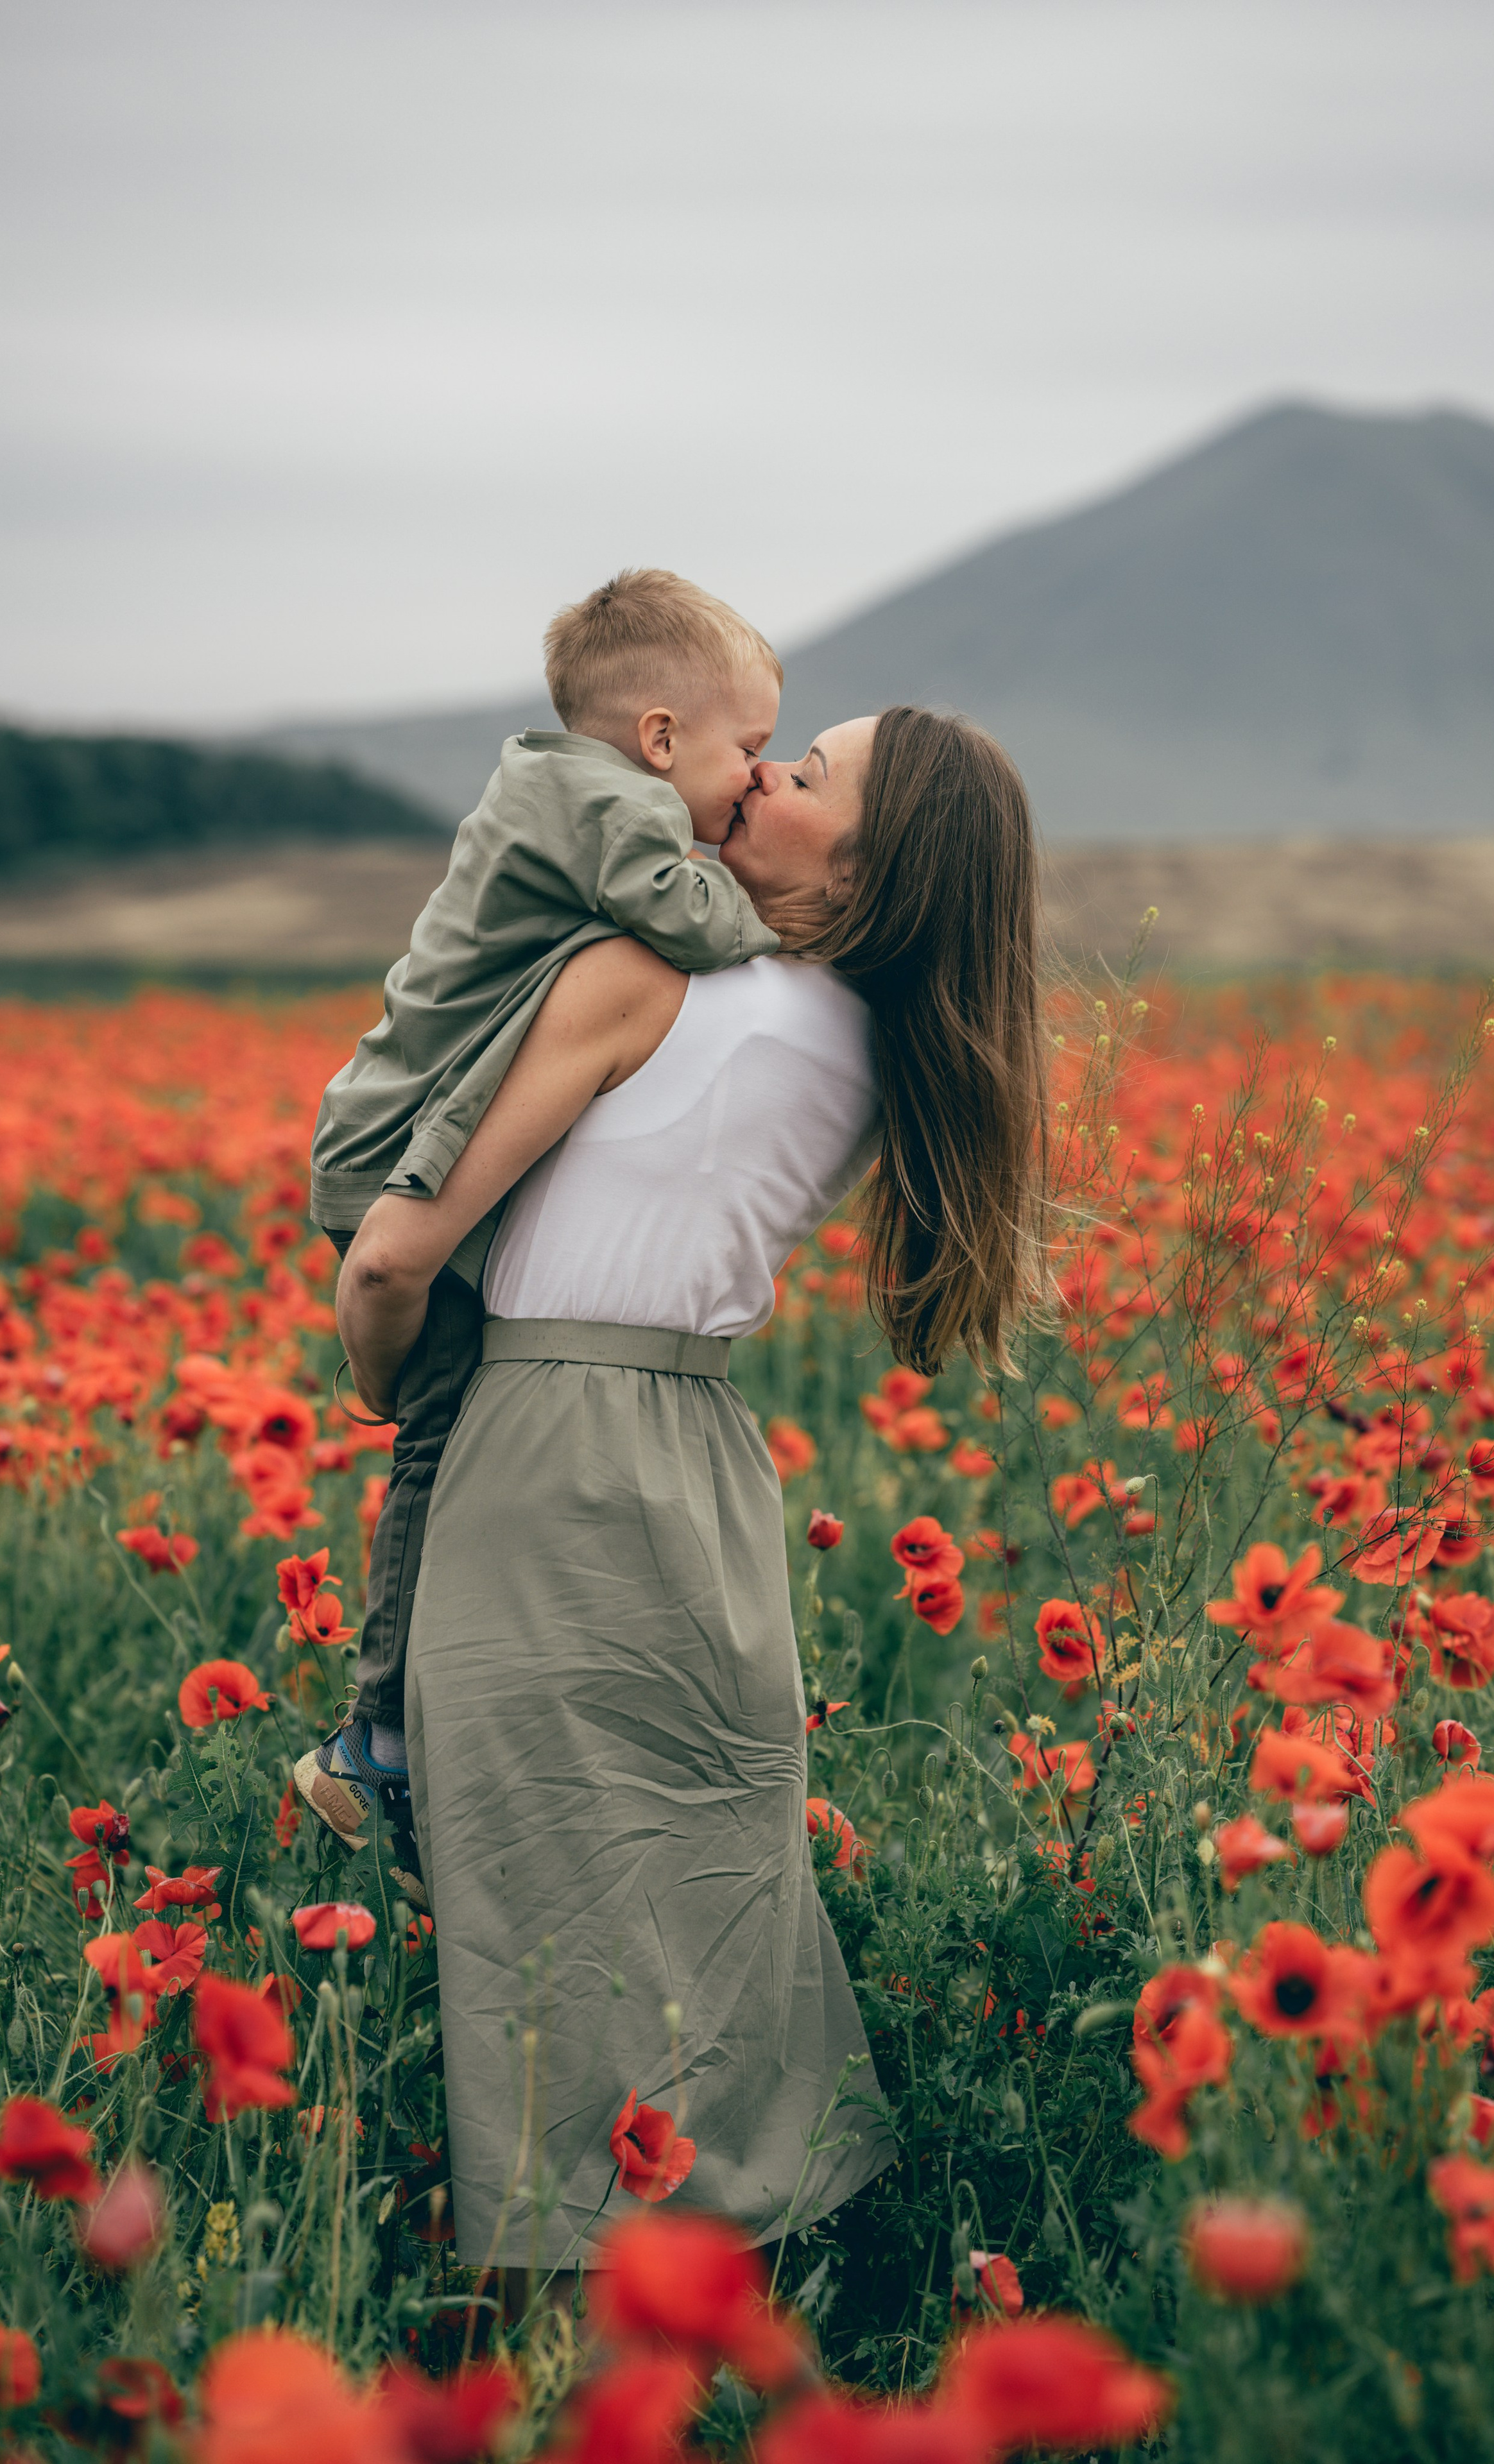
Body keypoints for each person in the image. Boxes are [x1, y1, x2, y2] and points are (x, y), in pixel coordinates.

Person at [336, 705, 1049, 2269]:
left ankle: (556, 2341)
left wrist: (384, 1368)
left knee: (538, 1902)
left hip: (545, 1445)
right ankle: (748, 2291)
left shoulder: (649, 981)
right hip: (698, 1453)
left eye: (810, 775)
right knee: (698, 1891)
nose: (762, 776)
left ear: (873, 864)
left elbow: (396, 1246)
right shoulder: (871, 1046)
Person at [299, 572, 782, 1893]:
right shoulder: (604, 808)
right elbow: (681, 919)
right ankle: (376, 1740)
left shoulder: (564, 792)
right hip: (395, 1157)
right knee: (442, 1437)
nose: (758, 781)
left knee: (454, 1440)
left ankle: (404, 1728)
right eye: (746, 749)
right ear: (662, 739)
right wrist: (798, 929)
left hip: (404, 1136)